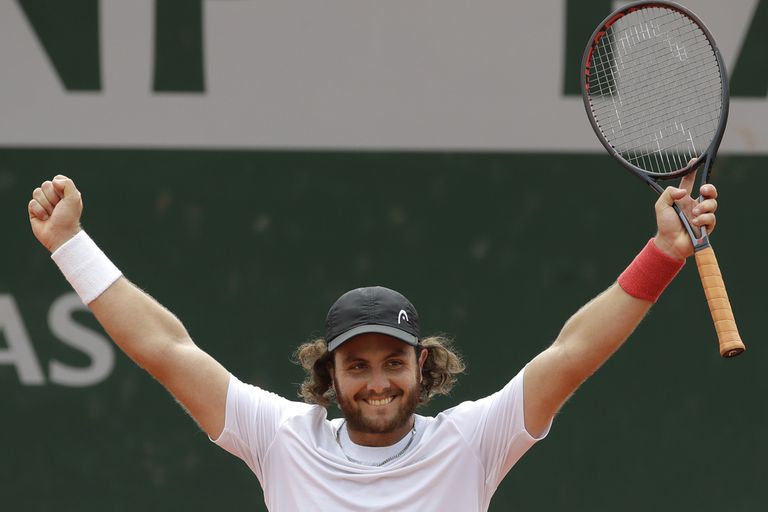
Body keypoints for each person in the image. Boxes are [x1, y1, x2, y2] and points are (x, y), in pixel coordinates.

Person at [28, 173, 718, 511]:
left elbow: (571, 354)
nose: (378, 382)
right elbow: (167, 350)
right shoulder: (282, 440)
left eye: (393, 362)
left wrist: (662, 252)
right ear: (329, 376)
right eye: (356, 366)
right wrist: (70, 245)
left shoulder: (472, 443)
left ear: (423, 366)